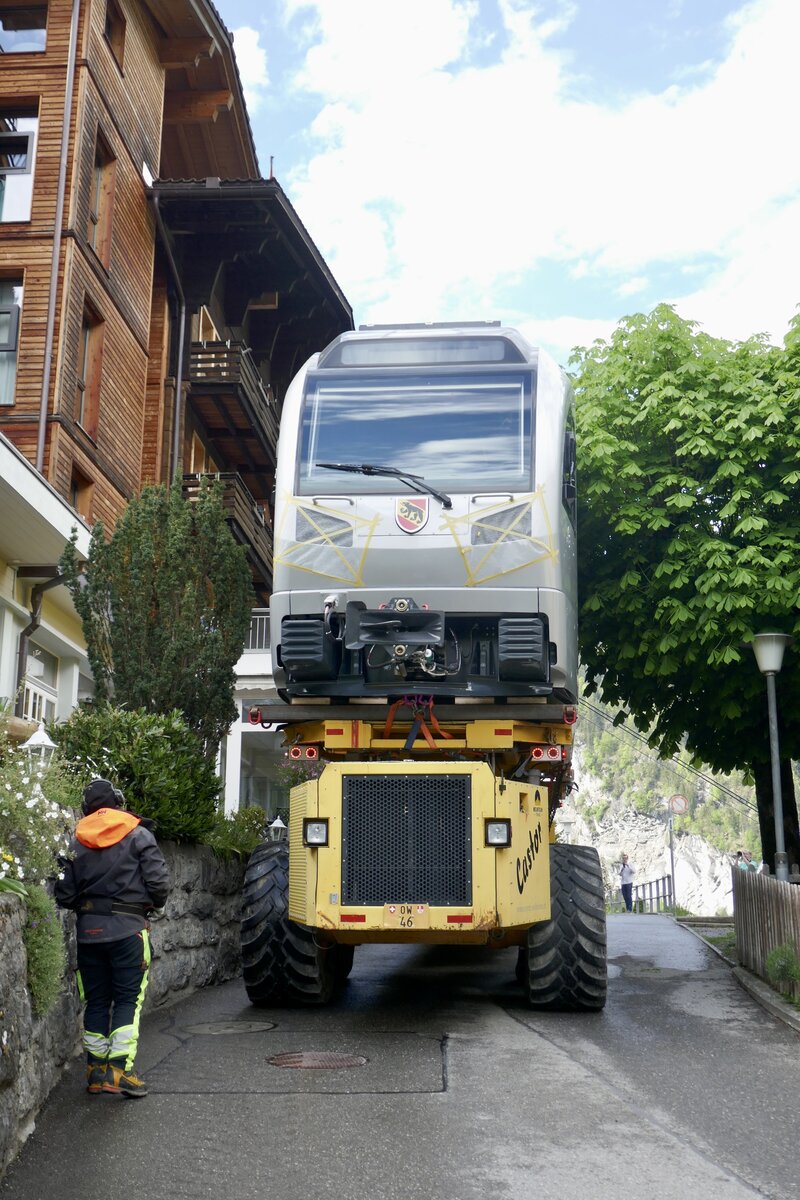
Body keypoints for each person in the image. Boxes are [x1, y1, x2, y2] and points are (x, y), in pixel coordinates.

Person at [55, 778, 170, 1098]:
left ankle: (95, 1070)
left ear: (87, 808)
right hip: (128, 931)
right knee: (127, 1001)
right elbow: (159, 883)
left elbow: (63, 894)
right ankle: (120, 1071)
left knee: (96, 1001)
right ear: (116, 803)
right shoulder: (138, 834)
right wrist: (149, 906)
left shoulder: (74, 840)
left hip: (89, 933)